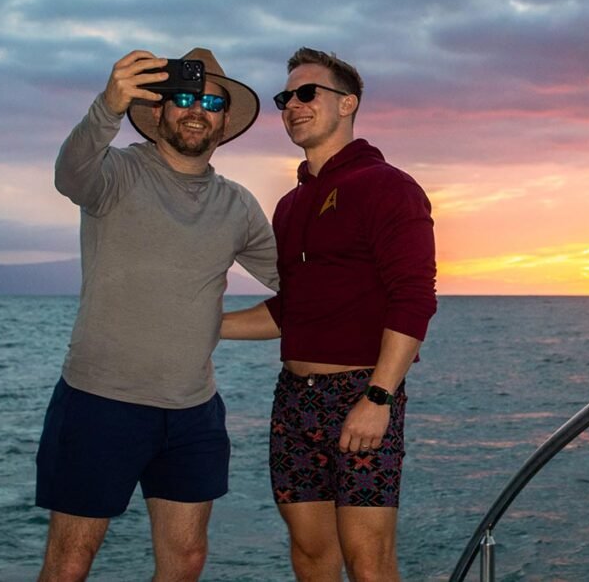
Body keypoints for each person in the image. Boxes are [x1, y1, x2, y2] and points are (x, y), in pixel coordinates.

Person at [36, 48, 278, 581]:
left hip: (193, 411)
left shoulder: (238, 204)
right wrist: (108, 106)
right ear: (159, 112)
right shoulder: (116, 172)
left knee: (187, 559)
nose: (197, 109)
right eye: (184, 98)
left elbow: (301, 288)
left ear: (223, 119)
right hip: (101, 401)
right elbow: (68, 175)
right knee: (70, 562)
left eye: (211, 101)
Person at [222, 47, 437, 581]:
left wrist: (379, 397)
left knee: (369, 561)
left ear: (348, 104)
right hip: (294, 400)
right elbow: (289, 312)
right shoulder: (291, 205)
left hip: (360, 393)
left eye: (306, 93)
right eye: (285, 97)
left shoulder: (388, 186)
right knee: (311, 553)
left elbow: (414, 297)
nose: (291, 105)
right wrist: (203, 325)